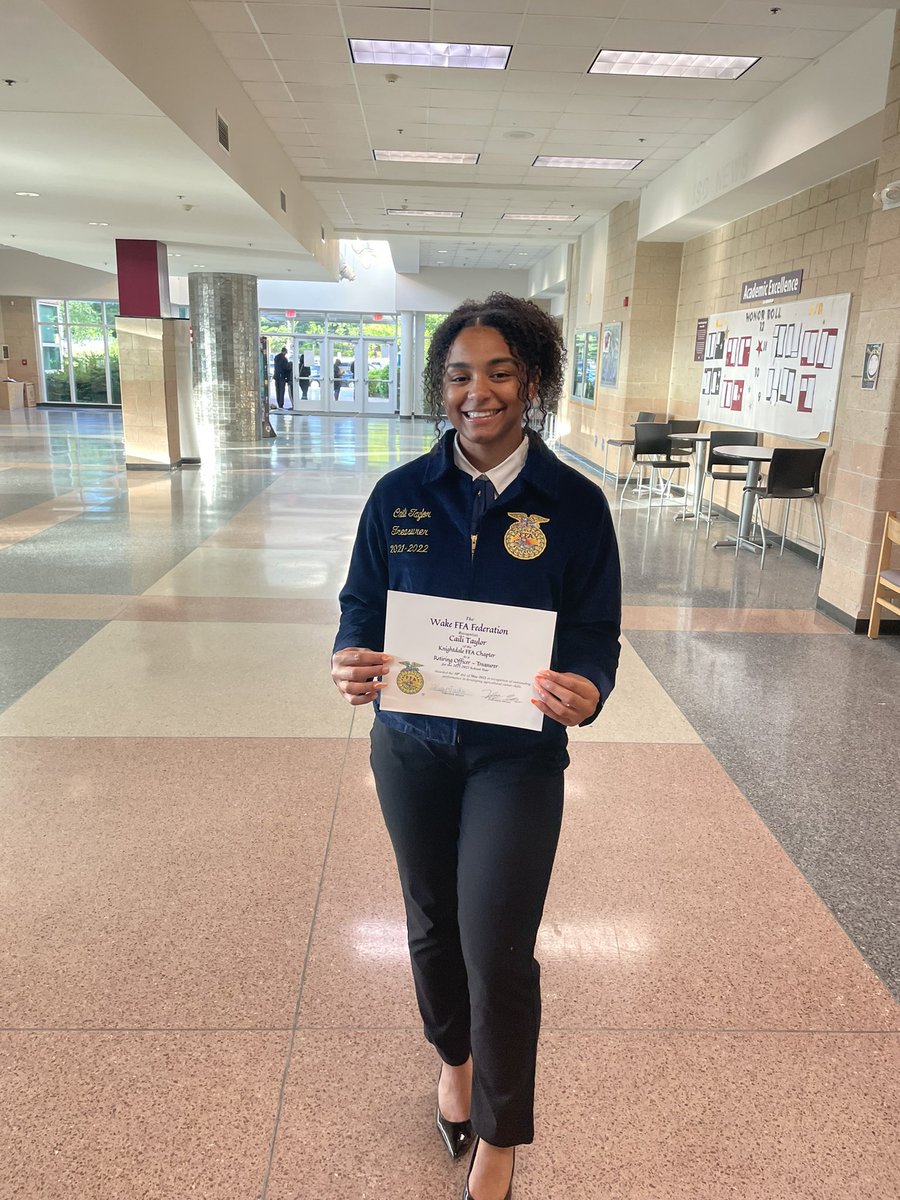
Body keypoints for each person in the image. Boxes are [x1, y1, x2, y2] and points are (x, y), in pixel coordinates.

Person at [331, 294, 621, 1200]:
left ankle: (498, 1135)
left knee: (497, 943)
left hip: (517, 757)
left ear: (531, 382)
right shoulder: (399, 495)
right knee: (429, 925)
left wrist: (587, 688)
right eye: (460, 374)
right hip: (411, 746)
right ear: (439, 386)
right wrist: (350, 659)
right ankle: (451, 1058)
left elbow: (593, 631)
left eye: (499, 372)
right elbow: (360, 605)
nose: (478, 392)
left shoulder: (573, 505)